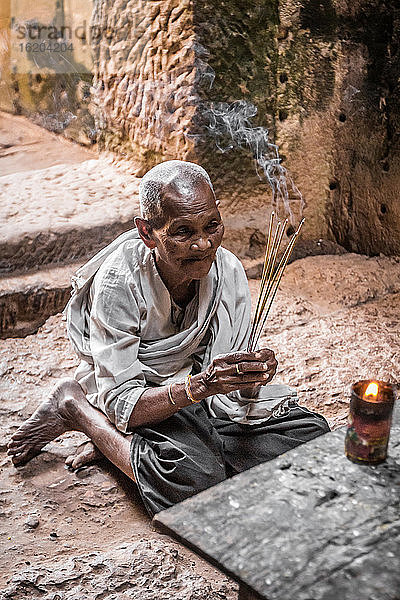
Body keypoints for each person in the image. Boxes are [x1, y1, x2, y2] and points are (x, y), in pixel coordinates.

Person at [8, 160, 329, 517]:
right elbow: (124, 400)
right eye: (183, 232)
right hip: (144, 391)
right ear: (147, 233)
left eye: (212, 225)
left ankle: (146, 447)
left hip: (198, 394)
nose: (204, 243)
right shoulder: (120, 282)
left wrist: (251, 376)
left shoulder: (228, 270)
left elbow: (230, 390)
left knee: (311, 433)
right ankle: (79, 409)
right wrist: (199, 387)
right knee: (194, 481)